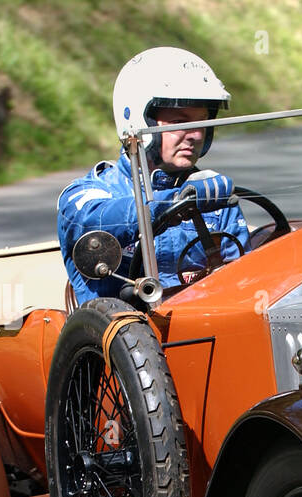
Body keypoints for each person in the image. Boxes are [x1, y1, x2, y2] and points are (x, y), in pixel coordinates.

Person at [57, 47, 250, 304]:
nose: (194, 134)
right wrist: (173, 203)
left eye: (201, 122)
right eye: (181, 123)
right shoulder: (87, 194)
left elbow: (245, 284)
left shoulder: (213, 196)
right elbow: (94, 220)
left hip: (206, 328)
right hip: (117, 336)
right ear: (138, 122)